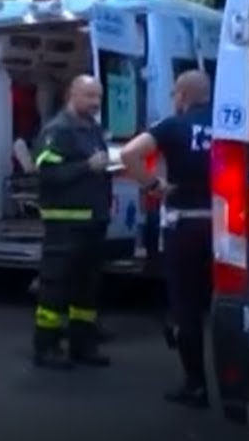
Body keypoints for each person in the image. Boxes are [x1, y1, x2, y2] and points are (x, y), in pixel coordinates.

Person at [120, 70, 213, 407]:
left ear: (182, 95)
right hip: (224, 226)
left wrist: (154, 186)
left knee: (186, 306)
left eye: (174, 94)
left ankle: (196, 384)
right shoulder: (229, 122)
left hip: (184, 224)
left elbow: (129, 154)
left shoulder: (173, 126)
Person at [31, 74, 113, 370]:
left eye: (98, 97)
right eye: (89, 96)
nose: (95, 103)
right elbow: (47, 174)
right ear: (71, 95)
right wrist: (86, 167)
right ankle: (46, 347)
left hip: (93, 222)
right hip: (64, 225)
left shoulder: (92, 128)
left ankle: (83, 345)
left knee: (87, 288)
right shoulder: (58, 130)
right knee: (55, 287)